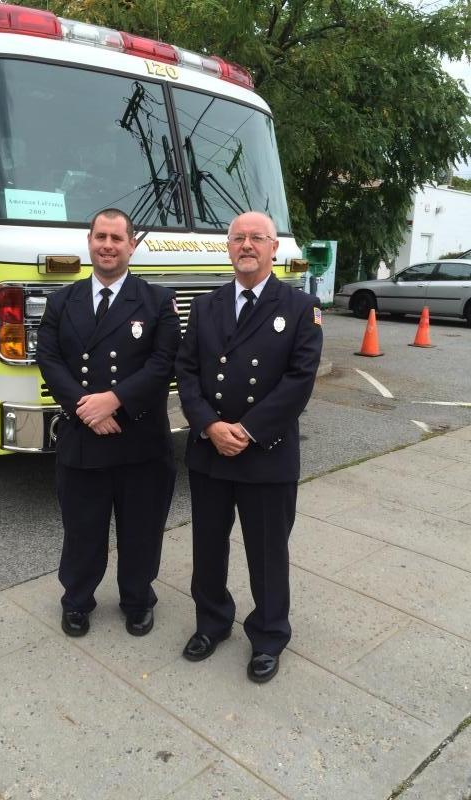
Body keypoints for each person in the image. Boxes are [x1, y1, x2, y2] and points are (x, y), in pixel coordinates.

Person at [175, 211, 323, 682]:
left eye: (256, 238)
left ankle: (269, 634)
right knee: (208, 548)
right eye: (238, 237)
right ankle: (212, 622)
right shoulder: (206, 306)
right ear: (228, 247)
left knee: (267, 552)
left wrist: (248, 430)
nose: (246, 245)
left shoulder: (299, 307)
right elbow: (187, 372)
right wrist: (210, 426)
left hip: (267, 452)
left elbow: (299, 381)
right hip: (210, 451)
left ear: (274, 248)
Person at [37, 208, 180, 638]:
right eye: (101, 236)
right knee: (83, 529)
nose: (108, 245)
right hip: (85, 439)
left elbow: (164, 363)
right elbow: (48, 358)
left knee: (141, 530)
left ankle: (138, 599)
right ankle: (77, 600)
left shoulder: (157, 301)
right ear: (89, 242)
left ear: (131, 246)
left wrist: (113, 401)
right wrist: (87, 408)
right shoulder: (63, 301)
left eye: (117, 238)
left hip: (140, 441)